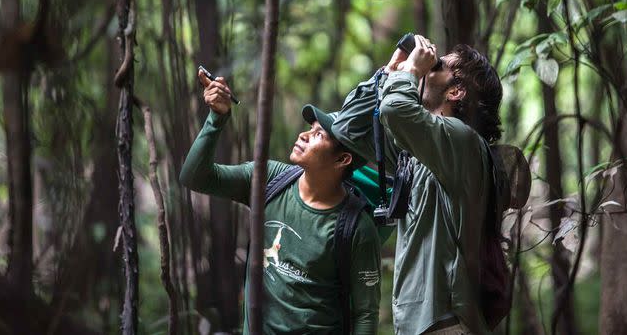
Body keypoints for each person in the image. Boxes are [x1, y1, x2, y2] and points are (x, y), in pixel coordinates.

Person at [179, 70, 381, 334]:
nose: (304, 135)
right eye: (310, 128)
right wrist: (217, 118)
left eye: (319, 134)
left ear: (342, 160)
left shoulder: (357, 228)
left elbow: (365, 314)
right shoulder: (270, 179)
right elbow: (195, 177)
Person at [333, 35, 504, 334]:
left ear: (457, 91)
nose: (426, 68)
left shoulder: (464, 143)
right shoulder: (417, 150)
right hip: (420, 323)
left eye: (438, 66)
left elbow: (394, 110)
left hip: (447, 322)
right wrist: (389, 71)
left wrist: (410, 73)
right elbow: (346, 127)